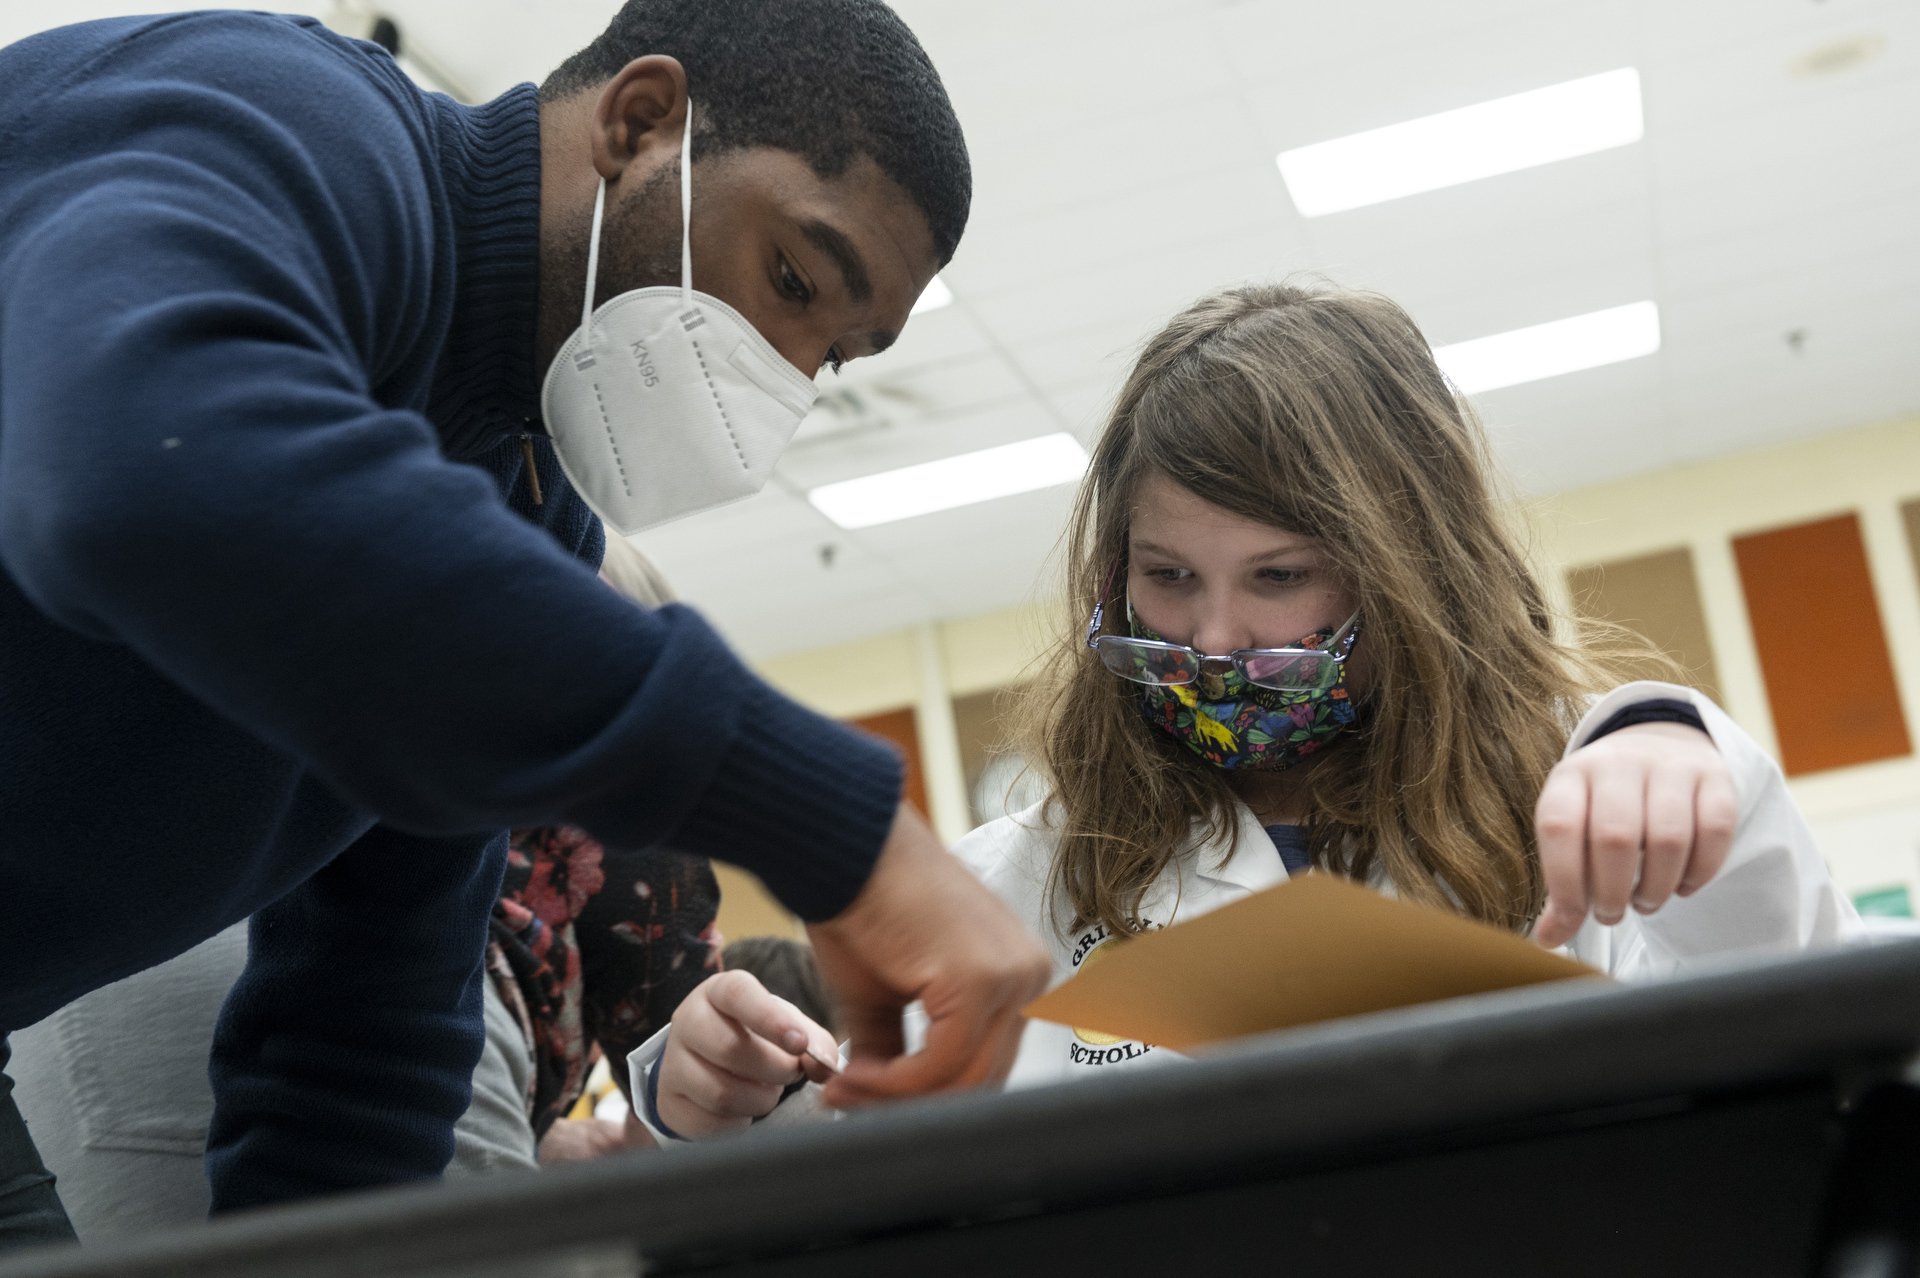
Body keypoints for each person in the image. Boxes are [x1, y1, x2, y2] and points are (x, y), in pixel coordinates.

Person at [0, 0, 1048, 1249]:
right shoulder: (288, 122)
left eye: (830, 357)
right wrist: (836, 824)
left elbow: (360, 1049)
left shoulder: (520, 513)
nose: (783, 370)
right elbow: (140, 467)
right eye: (791, 279)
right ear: (640, 122)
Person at [625, 280, 1862, 1140]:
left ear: (1412, 569)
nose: (1214, 641)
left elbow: (1815, 1054)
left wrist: (1696, 766)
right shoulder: (1017, 883)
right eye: (1168, 579)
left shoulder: (1589, 795)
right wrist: (706, 1100)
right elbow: (877, 1169)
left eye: (1279, 579)